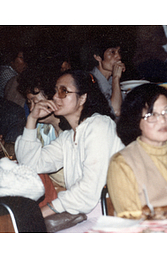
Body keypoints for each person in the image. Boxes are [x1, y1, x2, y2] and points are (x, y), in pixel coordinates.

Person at [15, 70, 124, 218]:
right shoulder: (68, 137)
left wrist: (44, 212)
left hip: (113, 212)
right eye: (55, 91)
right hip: (89, 213)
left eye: (63, 91)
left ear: (82, 98)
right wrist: (32, 119)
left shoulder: (99, 126)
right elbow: (30, 164)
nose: (54, 97)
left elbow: (89, 190)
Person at [107, 84, 167, 219]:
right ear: (136, 120)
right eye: (152, 114)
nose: (163, 120)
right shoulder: (122, 164)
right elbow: (131, 223)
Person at [86, 38, 126, 118]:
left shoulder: (111, 80)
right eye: (112, 52)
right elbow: (115, 111)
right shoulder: (89, 81)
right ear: (98, 57)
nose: (118, 57)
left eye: (119, 52)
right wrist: (116, 78)